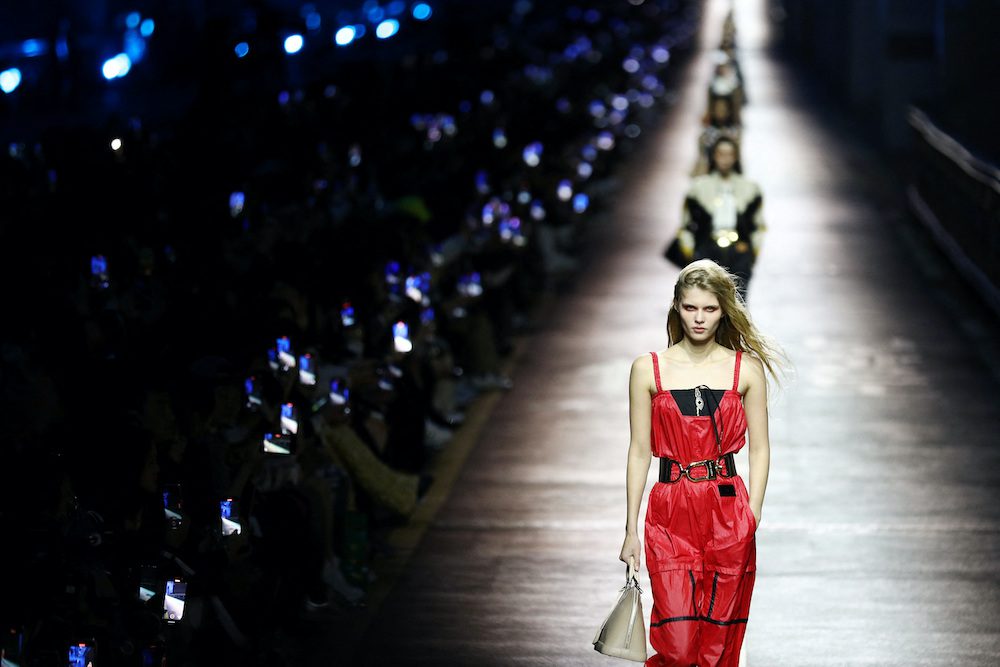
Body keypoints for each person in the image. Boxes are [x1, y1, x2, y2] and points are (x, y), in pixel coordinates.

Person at [619, 259, 784, 666]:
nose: (699, 318)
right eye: (691, 307)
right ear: (676, 306)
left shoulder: (745, 368)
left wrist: (753, 513)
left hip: (727, 509)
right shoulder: (647, 369)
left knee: (718, 640)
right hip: (669, 508)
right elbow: (640, 450)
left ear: (724, 310)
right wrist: (629, 530)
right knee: (675, 640)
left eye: (709, 309)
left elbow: (760, 447)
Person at [676, 137, 765, 300]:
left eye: (729, 154)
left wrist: (751, 252)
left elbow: (758, 225)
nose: (725, 159)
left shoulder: (750, 189)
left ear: (736, 157)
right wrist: (692, 253)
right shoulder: (698, 188)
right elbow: (686, 225)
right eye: (721, 154)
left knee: (738, 304)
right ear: (714, 156)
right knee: (706, 302)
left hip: (740, 250)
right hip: (707, 250)